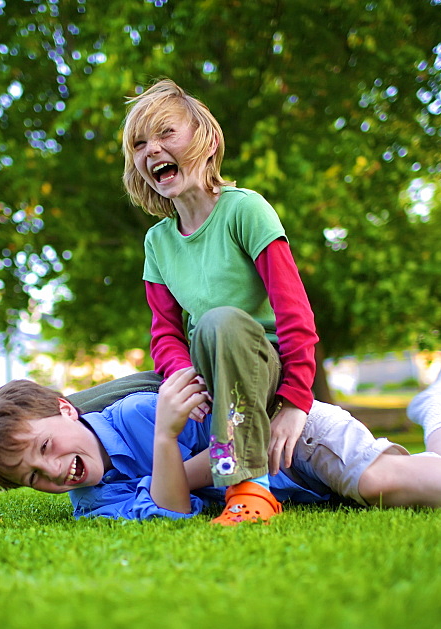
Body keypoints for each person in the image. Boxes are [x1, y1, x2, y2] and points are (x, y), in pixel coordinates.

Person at [0, 345, 441, 533]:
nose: (53, 473)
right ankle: (439, 407)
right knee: (429, 486)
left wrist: (173, 442)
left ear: (66, 409)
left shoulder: (139, 410)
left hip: (291, 436)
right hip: (284, 483)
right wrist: (171, 448)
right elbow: (167, 510)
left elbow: (233, 448)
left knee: (385, 481)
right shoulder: (90, 503)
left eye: (45, 448)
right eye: (34, 477)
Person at [121, 78, 318, 524]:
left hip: (260, 363)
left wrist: (294, 403)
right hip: (206, 368)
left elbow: (296, 316)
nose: (151, 149)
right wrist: (183, 375)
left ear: (206, 143)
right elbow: (164, 334)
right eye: (139, 143)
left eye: (166, 134)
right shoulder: (157, 242)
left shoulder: (245, 210)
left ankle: (249, 489)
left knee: (218, 321)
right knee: (98, 399)